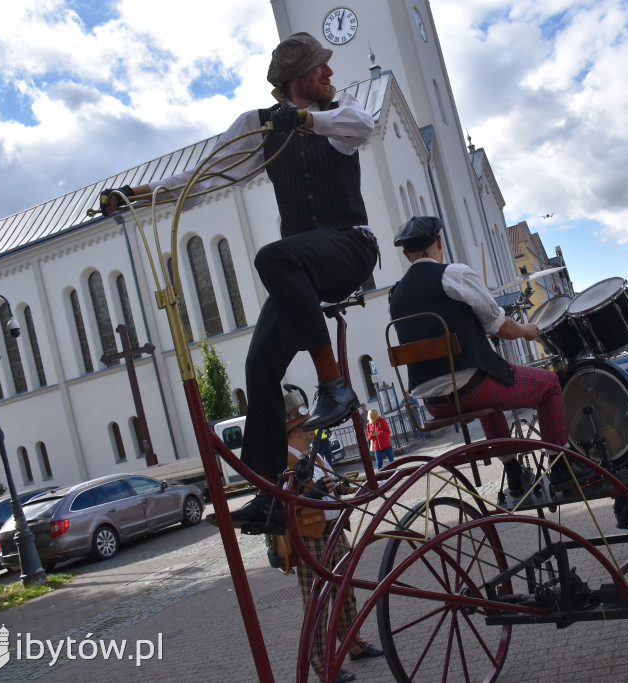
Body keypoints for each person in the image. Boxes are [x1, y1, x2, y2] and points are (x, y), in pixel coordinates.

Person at [102, 32, 380, 533]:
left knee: (273, 256)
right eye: (321, 68)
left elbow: (362, 129)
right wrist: (136, 195)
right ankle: (272, 494)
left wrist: (306, 119)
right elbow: (204, 178)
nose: (330, 76)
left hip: (349, 247)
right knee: (258, 366)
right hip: (299, 270)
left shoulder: (343, 109)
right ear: (297, 77)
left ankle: (334, 383)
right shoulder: (258, 126)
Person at [388, 216, 590, 496]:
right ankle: (562, 468)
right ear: (438, 242)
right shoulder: (453, 275)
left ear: (406, 253)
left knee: (487, 397)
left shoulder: (395, 294)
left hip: (432, 402)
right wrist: (527, 330)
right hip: (472, 389)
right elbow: (501, 327)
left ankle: (515, 474)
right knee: (549, 385)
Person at [281, 390, 384, 681]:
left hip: (334, 532)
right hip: (309, 537)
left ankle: (354, 644)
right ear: (297, 429)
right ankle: (322, 665)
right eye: (309, 424)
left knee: (345, 592)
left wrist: (344, 491)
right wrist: (310, 494)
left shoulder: (315, 456)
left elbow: (328, 487)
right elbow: (283, 502)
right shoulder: (285, 460)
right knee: (317, 604)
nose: (315, 428)